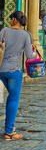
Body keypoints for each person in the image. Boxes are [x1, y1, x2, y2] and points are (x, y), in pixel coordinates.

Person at [0, 11, 37, 140]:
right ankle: (9, 131)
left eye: (11, 19)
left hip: (1, 70)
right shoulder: (26, 35)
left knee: (11, 96)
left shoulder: (4, 31)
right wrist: (34, 52)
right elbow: (29, 56)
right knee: (13, 99)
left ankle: (10, 127)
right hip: (14, 71)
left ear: (15, 19)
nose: (10, 21)